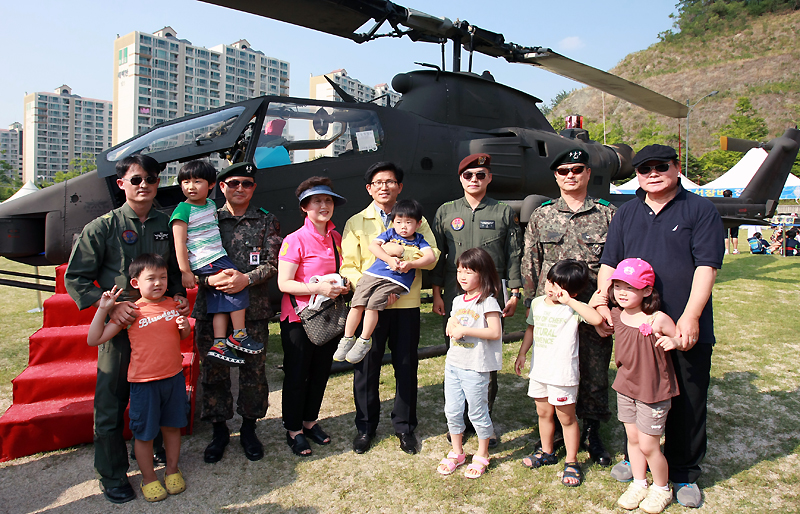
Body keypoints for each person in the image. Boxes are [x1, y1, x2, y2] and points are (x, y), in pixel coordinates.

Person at [593, 144, 723, 508]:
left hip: (679, 322)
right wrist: (602, 299)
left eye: (660, 166)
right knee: (633, 392)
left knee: (688, 398)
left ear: (676, 167)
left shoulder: (700, 209)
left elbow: (706, 266)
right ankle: (635, 463)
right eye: (643, 168)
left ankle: (683, 472)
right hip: (634, 326)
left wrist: (691, 316)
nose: (652, 173)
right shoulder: (626, 212)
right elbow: (610, 262)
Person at [65, 154, 189, 504]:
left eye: (150, 179)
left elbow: (175, 272)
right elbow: (75, 277)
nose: (144, 185)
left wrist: (178, 296)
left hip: (159, 329)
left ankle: (152, 452)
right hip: (121, 330)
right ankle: (113, 474)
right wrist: (111, 306)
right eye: (136, 180)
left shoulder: (167, 224)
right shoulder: (101, 228)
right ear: (121, 184)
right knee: (110, 403)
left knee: (161, 394)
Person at [521, 147, 616, 466]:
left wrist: (606, 306)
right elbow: (530, 261)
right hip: (552, 312)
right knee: (552, 365)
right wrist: (531, 304)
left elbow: (615, 262)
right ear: (556, 176)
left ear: (588, 173)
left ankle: (591, 431)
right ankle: (556, 432)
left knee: (594, 369)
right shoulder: (542, 214)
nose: (570, 175)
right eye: (564, 171)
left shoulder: (607, 214)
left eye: (577, 169)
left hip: (590, 308)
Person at [340, 161, 439, 455]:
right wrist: (377, 292)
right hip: (371, 303)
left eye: (391, 182)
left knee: (406, 367)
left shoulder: (417, 220)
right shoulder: (356, 223)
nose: (385, 187)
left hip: (405, 303)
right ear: (369, 188)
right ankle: (365, 427)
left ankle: (405, 426)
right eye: (378, 182)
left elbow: (431, 256)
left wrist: (402, 258)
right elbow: (348, 265)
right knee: (366, 368)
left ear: (400, 186)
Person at [431, 153, 523, 447]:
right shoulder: (446, 211)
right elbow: (437, 257)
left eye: (480, 175)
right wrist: (435, 293)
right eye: (468, 175)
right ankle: (459, 419)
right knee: (457, 354)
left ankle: (482, 417)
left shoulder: (503, 211)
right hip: (455, 294)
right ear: (460, 178)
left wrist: (515, 292)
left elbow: (514, 255)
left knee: (485, 359)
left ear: (489, 178)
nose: (474, 180)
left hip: (489, 296)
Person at [193, 161, 282, 464]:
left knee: (253, 373)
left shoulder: (267, 221)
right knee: (213, 370)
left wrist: (247, 279)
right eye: (233, 183)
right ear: (221, 187)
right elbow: (189, 263)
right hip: (211, 308)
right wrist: (207, 280)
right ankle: (219, 430)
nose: (240, 188)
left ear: (254, 187)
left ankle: (248, 428)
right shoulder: (206, 220)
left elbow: (273, 262)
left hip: (252, 310)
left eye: (246, 183)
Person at [87, 254, 191, 503]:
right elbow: (94, 339)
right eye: (151, 278)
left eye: (163, 277)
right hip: (144, 384)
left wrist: (184, 325)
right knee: (144, 434)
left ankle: (172, 470)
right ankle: (149, 478)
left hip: (174, 379)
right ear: (135, 283)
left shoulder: (172, 305)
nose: (158, 283)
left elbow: (184, 335)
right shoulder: (132, 311)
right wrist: (103, 309)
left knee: (172, 427)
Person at [514, 259, 603, 487]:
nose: (552, 289)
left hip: (563, 374)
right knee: (543, 413)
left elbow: (596, 319)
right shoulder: (537, 304)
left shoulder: (572, 308)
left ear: (572, 291)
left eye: (558, 286)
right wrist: (523, 353)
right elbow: (530, 329)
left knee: (566, 418)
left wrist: (571, 301)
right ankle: (547, 451)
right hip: (540, 371)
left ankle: (572, 461)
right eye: (550, 282)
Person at [277, 176, 348, 457]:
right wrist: (316, 287)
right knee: (297, 374)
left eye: (328, 200)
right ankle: (293, 429)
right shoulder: (294, 240)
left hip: (327, 317)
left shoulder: (336, 237)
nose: (323, 205)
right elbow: (284, 283)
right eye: (317, 200)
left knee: (320, 372)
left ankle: (310, 421)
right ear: (304, 207)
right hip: (298, 318)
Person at [170, 160, 262, 365]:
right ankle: (239, 334)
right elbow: (179, 242)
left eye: (197, 181)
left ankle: (219, 343)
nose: (191, 187)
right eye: (186, 182)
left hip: (216, 256)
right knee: (236, 286)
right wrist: (185, 270)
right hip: (208, 260)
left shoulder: (211, 206)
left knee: (220, 302)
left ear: (211, 185)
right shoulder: (182, 210)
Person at [607, 258, 680, 514]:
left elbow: (680, 338)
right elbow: (597, 312)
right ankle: (639, 483)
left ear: (648, 290)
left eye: (630, 287)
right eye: (617, 286)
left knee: (650, 445)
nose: (622, 292)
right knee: (633, 439)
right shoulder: (616, 314)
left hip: (653, 391)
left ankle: (661, 488)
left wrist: (675, 342)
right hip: (626, 388)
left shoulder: (658, 319)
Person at [335, 199, 435, 364]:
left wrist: (409, 262)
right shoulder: (387, 233)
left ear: (418, 224)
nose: (403, 226)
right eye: (399, 222)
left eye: (408, 222)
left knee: (371, 305)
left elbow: (431, 257)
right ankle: (347, 338)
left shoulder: (419, 239)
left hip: (394, 283)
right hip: (372, 275)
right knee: (357, 303)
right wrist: (388, 258)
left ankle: (364, 340)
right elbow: (373, 247)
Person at [436, 248, 503, 479]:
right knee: (452, 411)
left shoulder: (489, 302)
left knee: (477, 412)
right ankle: (457, 452)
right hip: (454, 364)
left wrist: (465, 329)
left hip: (476, 367)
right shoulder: (456, 300)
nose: (462, 276)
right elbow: (453, 320)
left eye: (469, 271)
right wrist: (452, 323)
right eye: (459, 271)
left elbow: (494, 332)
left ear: (483, 274)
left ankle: (482, 454)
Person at [722, 190, 740, 255]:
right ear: (731, 195)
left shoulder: (721, 202)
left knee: (725, 236)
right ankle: (735, 249)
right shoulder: (735, 202)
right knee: (734, 235)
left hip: (725, 220)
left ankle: (727, 250)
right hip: (734, 220)